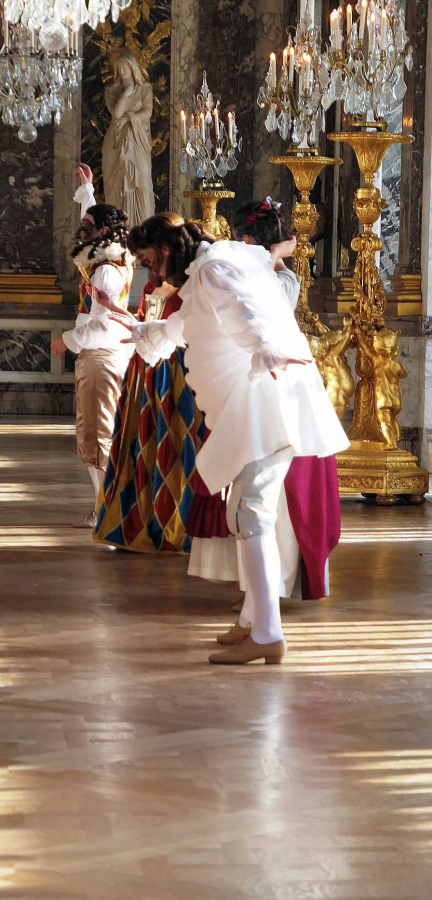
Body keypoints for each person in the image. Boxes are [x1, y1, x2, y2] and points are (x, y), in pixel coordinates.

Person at [111, 216, 349, 665]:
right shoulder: (217, 265)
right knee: (243, 512)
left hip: (263, 400)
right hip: (258, 401)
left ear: (166, 248)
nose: (154, 273)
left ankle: (267, 633)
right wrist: (145, 332)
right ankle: (252, 624)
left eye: (149, 261)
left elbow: (245, 311)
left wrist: (265, 348)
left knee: (248, 512)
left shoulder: (213, 270)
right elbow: (185, 327)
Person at [189, 201, 342, 635]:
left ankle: (268, 597)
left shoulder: (279, 279)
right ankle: (255, 602)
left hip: (271, 389)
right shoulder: (242, 269)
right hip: (247, 384)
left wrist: (273, 259)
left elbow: (262, 315)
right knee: (246, 501)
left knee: (267, 502)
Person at [91, 212, 207, 553]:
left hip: (179, 375)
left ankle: (179, 524)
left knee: (177, 444)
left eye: (147, 259)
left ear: (166, 249)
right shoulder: (152, 283)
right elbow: (147, 322)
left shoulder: (193, 282)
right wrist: (120, 313)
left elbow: (180, 331)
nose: (148, 268)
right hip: (145, 372)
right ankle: (141, 519)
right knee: (142, 443)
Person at [50, 164, 135, 527]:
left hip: (101, 355)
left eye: (87, 227)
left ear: (102, 232)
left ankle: (105, 507)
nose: (79, 232)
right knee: (99, 428)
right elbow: (96, 231)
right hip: (108, 354)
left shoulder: (105, 271)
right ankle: (104, 502)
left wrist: (66, 341)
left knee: (96, 431)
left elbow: (101, 321)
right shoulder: (112, 255)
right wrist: (89, 191)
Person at [102, 50, 155, 226]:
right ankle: (119, 231)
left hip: (138, 142)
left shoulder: (145, 89)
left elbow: (147, 112)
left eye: (125, 67)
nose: (123, 71)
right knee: (117, 185)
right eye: (119, 68)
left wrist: (129, 117)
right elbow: (116, 113)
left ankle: (143, 229)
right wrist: (126, 94)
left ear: (133, 68)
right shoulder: (111, 91)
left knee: (142, 181)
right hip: (116, 142)